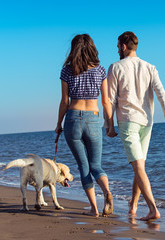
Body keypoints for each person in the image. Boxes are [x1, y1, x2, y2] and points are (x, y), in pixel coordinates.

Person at [105, 31, 165, 221]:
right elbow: (161, 91)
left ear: (123, 46)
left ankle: (153, 209)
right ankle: (134, 206)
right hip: (147, 121)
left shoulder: (115, 67)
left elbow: (110, 100)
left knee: (138, 166)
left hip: (128, 121)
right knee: (140, 165)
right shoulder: (149, 67)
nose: (116, 49)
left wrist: (109, 125)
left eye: (117, 45)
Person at [55, 34, 117, 217]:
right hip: (93, 119)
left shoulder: (67, 71)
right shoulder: (100, 70)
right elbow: (106, 102)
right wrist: (110, 126)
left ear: (73, 49)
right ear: (92, 48)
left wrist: (58, 124)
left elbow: (64, 102)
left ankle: (94, 209)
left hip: (73, 118)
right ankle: (107, 192)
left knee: (83, 166)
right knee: (96, 165)